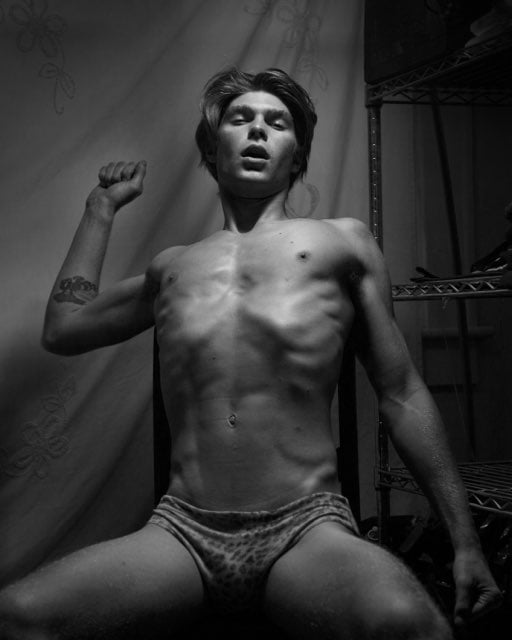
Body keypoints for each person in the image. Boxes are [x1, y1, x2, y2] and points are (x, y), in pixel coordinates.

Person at [0, 67, 502, 639]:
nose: (258, 130)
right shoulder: (172, 268)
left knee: (412, 628)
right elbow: (63, 329)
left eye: (277, 123)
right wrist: (100, 209)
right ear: (213, 150)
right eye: (240, 119)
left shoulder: (342, 242)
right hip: (184, 532)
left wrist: (465, 542)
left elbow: (402, 392)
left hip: (305, 526)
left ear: (297, 154)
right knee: (17, 617)